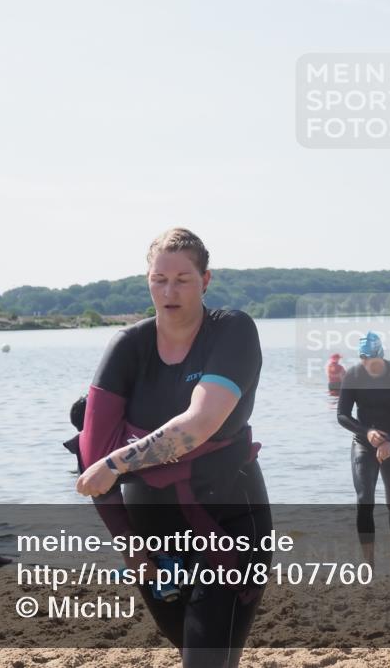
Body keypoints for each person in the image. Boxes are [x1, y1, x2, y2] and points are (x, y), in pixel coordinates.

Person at [69, 228, 270, 668]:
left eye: (183, 278)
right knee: (192, 650)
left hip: (229, 524)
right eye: (160, 279)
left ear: (206, 280)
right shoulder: (127, 346)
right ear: (147, 280)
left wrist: (115, 461)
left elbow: (198, 425)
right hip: (151, 537)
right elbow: (90, 457)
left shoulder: (231, 331)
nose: (170, 290)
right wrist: (130, 545)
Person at [337, 331, 390, 570]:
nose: (368, 365)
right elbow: (342, 415)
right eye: (364, 360)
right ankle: (369, 564)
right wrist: (367, 433)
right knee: (364, 501)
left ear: (381, 356)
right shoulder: (354, 375)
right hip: (364, 444)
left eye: (372, 360)